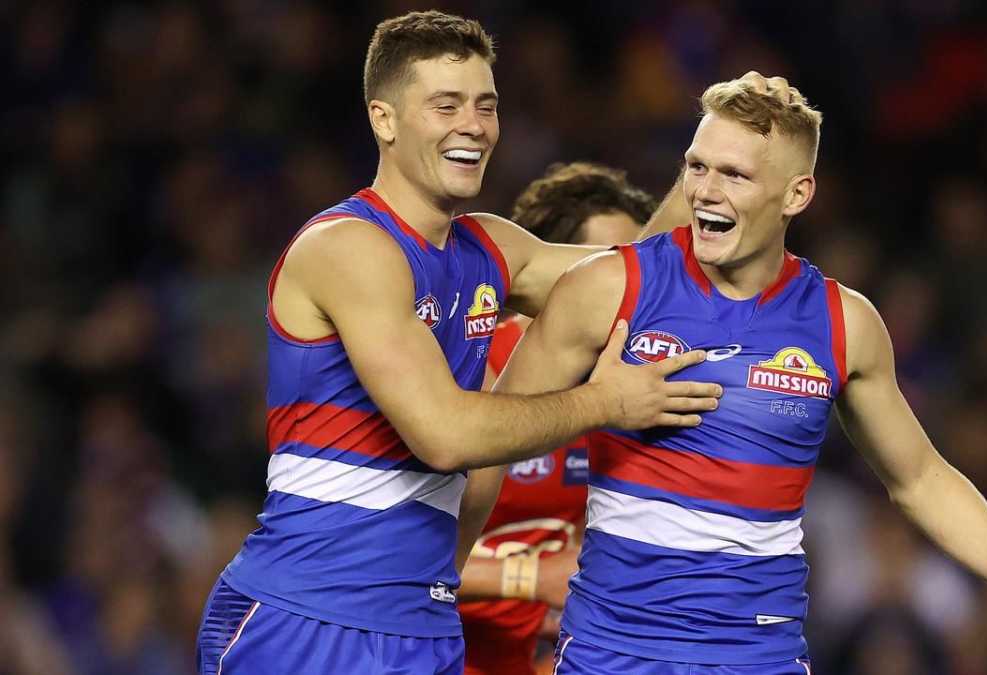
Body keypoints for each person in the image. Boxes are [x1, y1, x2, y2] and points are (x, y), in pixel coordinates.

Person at [493, 74, 987, 673]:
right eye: (697, 167)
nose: (705, 191)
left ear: (796, 194)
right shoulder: (606, 289)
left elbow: (921, 477)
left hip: (759, 657)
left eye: (734, 174)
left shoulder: (844, 323)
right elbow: (488, 444)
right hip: (614, 652)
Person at [195, 12, 723, 675]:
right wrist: (605, 401)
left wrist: (709, 160)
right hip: (308, 622)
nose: (473, 124)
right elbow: (444, 434)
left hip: (426, 631)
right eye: (446, 105)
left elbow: (639, 274)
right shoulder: (349, 247)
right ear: (384, 120)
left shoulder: (491, 247)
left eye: (486, 105)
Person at [455, 162, 657, 675]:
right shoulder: (470, 372)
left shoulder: (632, 394)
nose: (628, 295)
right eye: (608, 269)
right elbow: (390, 553)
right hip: (437, 651)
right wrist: (530, 579)